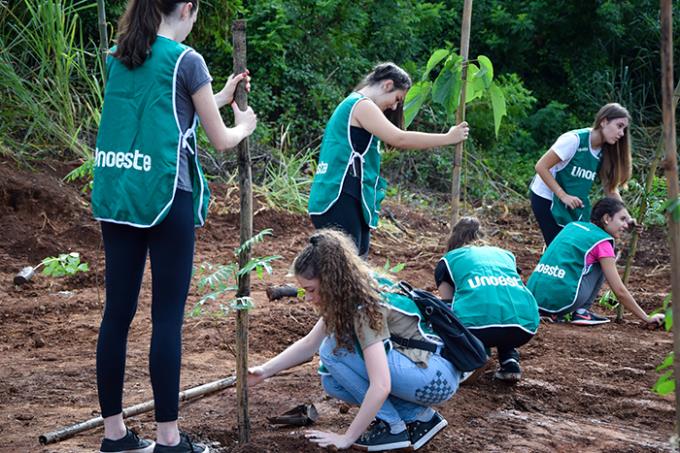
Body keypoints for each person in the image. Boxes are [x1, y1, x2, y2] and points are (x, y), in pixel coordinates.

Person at [91, 1, 257, 452]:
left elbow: (162, 108)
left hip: (121, 196)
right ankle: (169, 438)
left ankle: (115, 436)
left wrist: (216, 96)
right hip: (168, 200)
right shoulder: (187, 60)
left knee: (116, 316)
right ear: (187, 8)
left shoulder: (119, 55)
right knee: (166, 317)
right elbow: (220, 138)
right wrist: (243, 125)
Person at [248, 230, 460, 451]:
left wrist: (346, 438)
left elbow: (381, 385)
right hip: (426, 370)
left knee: (333, 350)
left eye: (311, 290)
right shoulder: (353, 289)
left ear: (330, 280)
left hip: (435, 377)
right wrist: (263, 371)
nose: (309, 298)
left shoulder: (363, 307)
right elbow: (310, 344)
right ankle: (419, 418)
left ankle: (392, 428)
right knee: (332, 380)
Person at [308, 62, 470, 256]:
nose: (394, 106)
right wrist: (447, 138)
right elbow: (399, 138)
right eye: (397, 99)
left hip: (339, 194)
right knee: (347, 266)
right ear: (387, 85)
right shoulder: (362, 105)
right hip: (341, 194)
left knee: (349, 262)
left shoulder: (353, 103)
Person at [527, 197, 665, 327]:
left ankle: (550, 311)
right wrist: (646, 317)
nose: (625, 224)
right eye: (622, 219)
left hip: (532, 298)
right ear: (606, 218)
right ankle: (582, 312)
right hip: (563, 301)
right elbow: (619, 291)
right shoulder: (602, 243)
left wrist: (628, 224)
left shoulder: (572, 226)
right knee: (603, 261)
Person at [434, 217, 539, 383]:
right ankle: (510, 361)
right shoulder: (505, 255)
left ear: (453, 238)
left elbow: (449, 305)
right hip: (525, 326)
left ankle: (476, 355)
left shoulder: (449, 260)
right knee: (500, 305)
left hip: (480, 329)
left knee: (453, 312)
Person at [530, 103, 632, 245]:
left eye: (624, 129)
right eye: (619, 126)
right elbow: (541, 166)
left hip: (573, 202)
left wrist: (627, 218)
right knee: (558, 246)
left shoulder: (605, 151)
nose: (621, 133)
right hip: (548, 198)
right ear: (604, 121)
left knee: (577, 244)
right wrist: (563, 195)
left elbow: (610, 189)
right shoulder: (574, 140)